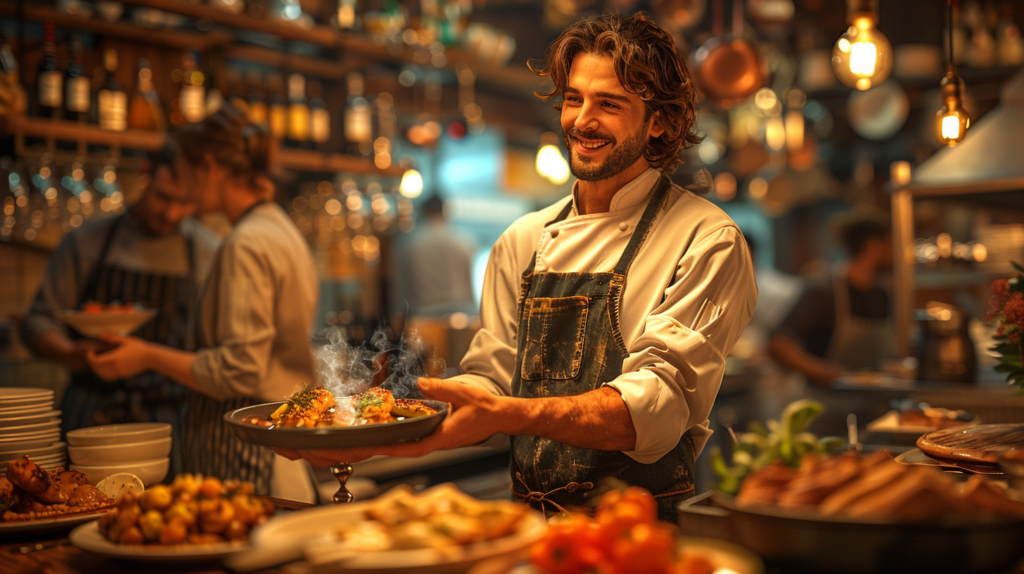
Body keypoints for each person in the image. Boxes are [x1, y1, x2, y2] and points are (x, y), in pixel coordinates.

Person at [282, 13, 757, 520]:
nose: (582, 120)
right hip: (524, 531)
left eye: (610, 104)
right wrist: (386, 430)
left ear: (658, 120)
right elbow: (491, 378)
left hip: (638, 536)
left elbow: (655, 408)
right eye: (574, 99)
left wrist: (512, 413)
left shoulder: (706, 239)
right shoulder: (523, 240)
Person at [86, 104, 319, 497]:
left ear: (209, 167)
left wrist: (146, 355)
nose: (183, 187)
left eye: (182, 170)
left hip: (250, 455)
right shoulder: (279, 227)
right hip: (282, 444)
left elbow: (239, 371)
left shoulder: (246, 243)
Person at [19, 149, 219, 478]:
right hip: (92, 411)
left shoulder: (208, 252)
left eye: (185, 204)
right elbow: (38, 320)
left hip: (170, 419)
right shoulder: (87, 241)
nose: (171, 213)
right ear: (146, 174)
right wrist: (69, 352)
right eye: (163, 197)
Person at [768, 215, 893, 388]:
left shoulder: (881, 294)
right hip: (826, 404)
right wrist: (825, 373)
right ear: (872, 246)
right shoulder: (823, 292)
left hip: (874, 402)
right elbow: (778, 345)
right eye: (891, 244)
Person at [391, 194, 477, 317]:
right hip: (461, 313)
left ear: (423, 212)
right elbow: (469, 282)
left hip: (424, 314)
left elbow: (401, 287)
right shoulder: (465, 241)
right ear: (444, 211)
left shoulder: (409, 243)